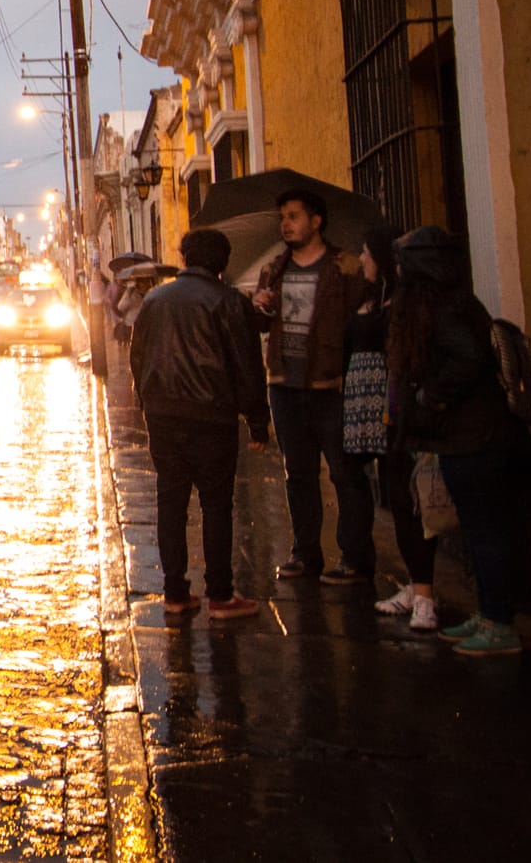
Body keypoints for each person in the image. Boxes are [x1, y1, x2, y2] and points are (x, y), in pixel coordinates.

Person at [390, 226, 526, 656]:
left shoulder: (450, 308)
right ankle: (489, 615)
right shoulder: (450, 303)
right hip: (465, 439)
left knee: (487, 532)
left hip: (477, 439)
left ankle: (500, 623)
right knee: (478, 530)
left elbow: (467, 358)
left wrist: (431, 398)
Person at [129, 229, 268, 620]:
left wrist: (146, 401)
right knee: (216, 504)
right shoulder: (228, 302)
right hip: (211, 416)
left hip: (163, 416)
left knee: (170, 503)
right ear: (222, 263)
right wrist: (258, 420)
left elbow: (137, 357)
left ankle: (175, 592)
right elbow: (247, 366)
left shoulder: (155, 299)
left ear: (186, 258)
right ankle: (220, 595)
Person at [250, 188, 374, 585]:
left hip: (330, 383)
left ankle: (355, 557)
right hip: (286, 384)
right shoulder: (274, 269)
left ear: (316, 221)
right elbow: (263, 325)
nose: (286, 224)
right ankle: (306, 554)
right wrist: (260, 305)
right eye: (282, 217)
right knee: (297, 473)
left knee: (344, 472)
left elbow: (363, 320)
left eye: (294, 216)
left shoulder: (344, 267)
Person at [344, 229, 438, 631]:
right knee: (396, 501)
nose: (361, 260)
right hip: (373, 411)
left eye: (366, 253)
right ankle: (417, 588)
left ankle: (425, 596)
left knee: (410, 503)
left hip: (396, 410)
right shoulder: (368, 296)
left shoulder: (402, 305)